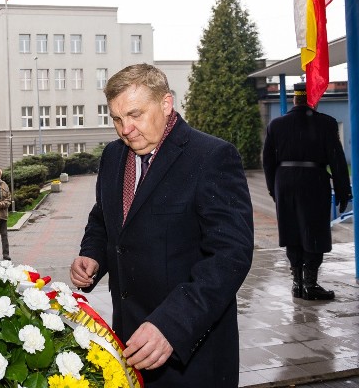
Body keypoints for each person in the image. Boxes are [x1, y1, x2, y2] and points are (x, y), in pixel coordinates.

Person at [69, 63, 254, 388]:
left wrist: (174, 324)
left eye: (135, 115)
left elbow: (230, 256)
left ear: (166, 105)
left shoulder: (212, 156)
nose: (126, 129)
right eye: (116, 119)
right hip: (130, 340)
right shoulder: (113, 156)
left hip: (191, 351)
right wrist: (92, 254)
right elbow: (105, 216)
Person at [262, 81, 351, 301]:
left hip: (285, 183)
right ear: (313, 99)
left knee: (291, 231)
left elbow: (267, 162)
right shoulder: (326, 124)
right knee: (314, 232)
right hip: (313, 182)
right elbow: (337, 161)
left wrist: (274, 189)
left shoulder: (276, 125)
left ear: (294, 98)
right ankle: (310, 284)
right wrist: (343, 192)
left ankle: (297, 283)